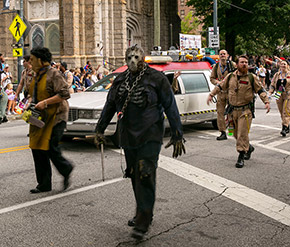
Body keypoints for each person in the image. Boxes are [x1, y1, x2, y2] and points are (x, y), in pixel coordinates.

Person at [94, 45, 185, 240]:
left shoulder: (156, 79)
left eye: (136, 57)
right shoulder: (119, 80)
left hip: (150, 134)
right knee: (135, 174)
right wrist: (100, 128)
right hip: (128, 135)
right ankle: (143, 211)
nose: (132, 60)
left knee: (145, 172)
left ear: (142, 58)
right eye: (129, 57)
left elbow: (170, 105)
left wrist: (177, 133)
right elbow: (109, 104)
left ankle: (143, 223)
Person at [207, 55, 270, 168]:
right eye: (242, 62)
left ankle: (241, 156)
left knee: (242, 134)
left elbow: (260, 90)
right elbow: (221, 86)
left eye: (246, 62)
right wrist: (211, 94)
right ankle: (249, 148)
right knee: (234, 133)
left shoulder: (252, 77)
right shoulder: (230, 76)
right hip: (232, 111)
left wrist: (266, 101)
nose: (244, 64)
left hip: (245, 112)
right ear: (237, 64)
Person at [27, 47, 73, 193]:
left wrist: (45, 103)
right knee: (37, 148)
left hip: (56, 117)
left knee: (51, 147)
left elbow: (65, 94)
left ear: (41, 60)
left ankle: (66, 169)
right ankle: (44, 184)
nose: (30, 62)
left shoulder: (54, 73)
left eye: (33, 60)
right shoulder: (36, 75)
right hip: (40, 117)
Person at [269, 60, 290, 137]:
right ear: (279, 66)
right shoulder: (277, 75)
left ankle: (284, 128)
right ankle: (287, 125)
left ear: (287, 66)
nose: (283, 65)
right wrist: (270, 93)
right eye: (282, 64)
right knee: (281, 112)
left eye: (284, 64)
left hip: (289, 94)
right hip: (279, 94)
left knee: (286, 111)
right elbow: (272, 84)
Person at [210, 49, 236, 141]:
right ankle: (222, 132)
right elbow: (212, 78)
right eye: (221, 54)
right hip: (220, 93)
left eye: (224, 54)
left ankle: (231, 131)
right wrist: (218, 82)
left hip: (230, 92)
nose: (222, 56)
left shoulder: (232, 65)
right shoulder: (216, 66)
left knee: (231, 113)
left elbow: (237, 76)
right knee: (220, 113)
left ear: (227, 55)